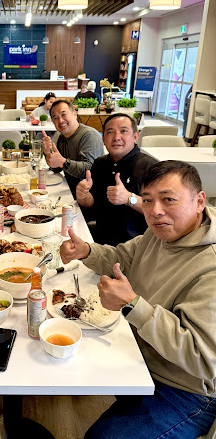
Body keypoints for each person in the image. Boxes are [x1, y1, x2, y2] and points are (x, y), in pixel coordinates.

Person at [61, 160, 216, 439]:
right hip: (146, 356)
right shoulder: (161, 232)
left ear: (199, 201)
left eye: (168, 199)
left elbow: (204, 360)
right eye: (147, 200)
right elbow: (122, 258)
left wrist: (132, 305)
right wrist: (86, 251)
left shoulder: (210, 266)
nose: (155, 211)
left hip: (189, 390)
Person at [76, 113, 156, 245]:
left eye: (123, 131)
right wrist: (83, 196)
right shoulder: (100, 163)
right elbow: (92, 203)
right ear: (103, 139)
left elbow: (159, 210)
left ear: (135, 136)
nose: (116, 137)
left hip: (137, 245)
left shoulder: (150, 166)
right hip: (101, 239)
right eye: (110, 132)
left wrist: (129, 198)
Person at [42, 100, 103, 197]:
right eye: (55, 118)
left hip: (89, 195)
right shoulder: (60, 136)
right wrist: (48, 153)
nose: (60, 121)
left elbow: (89, 170)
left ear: (74, 114)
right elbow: (57, 169)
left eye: (63, 114)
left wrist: (63, 162)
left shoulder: (89, 135)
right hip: (69, 190)